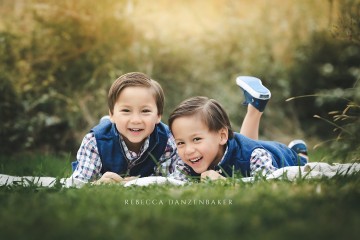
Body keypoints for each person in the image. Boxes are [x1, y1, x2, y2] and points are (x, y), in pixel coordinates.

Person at [168, 76, 308, 181]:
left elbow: (270, 182)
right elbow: (174, 183)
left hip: (280, 153)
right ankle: (255, 107)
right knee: (246, 145)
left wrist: (225, 182)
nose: (188, 150)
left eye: (196, 139)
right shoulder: (188, 160)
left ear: (222, 136)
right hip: (247, 146)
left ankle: (299, 153)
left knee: (301, 163)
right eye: (180, 143)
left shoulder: (256, 156)